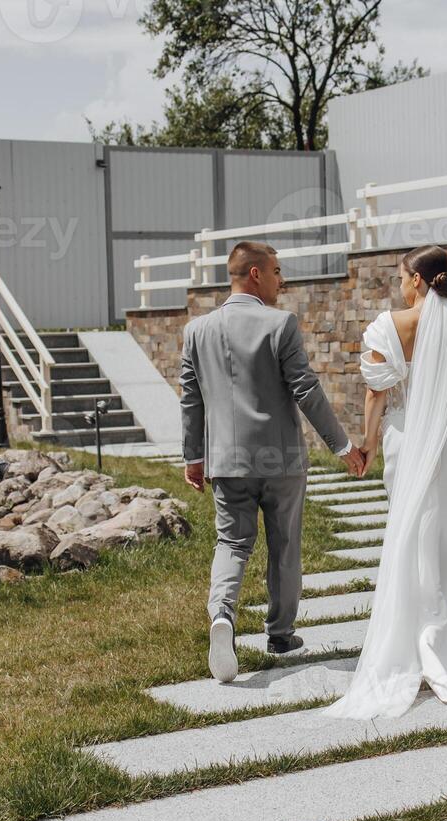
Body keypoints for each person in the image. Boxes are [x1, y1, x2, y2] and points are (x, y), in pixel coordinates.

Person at [324, 244, 447, 719]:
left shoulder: (390, 326)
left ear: (418, 281)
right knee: (442, 541)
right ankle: (435, 641)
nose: (400, 285)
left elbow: (375, 394)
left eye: (402, 277)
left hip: (406, 440)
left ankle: (408, 644)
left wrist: (368, 445)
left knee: (408, 538)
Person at [180, 241, 365, 683]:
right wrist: (341, 445)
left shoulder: (196, 331)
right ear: (256, 274)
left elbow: (191, 399)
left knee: (231, 544)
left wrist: (193, 457)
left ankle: (222, 617)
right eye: (278, 272)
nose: (283, 281)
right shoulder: (281, 324)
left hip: (226, 460)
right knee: (284, 545)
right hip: (280, 459)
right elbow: (306, 389)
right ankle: (280, 634)